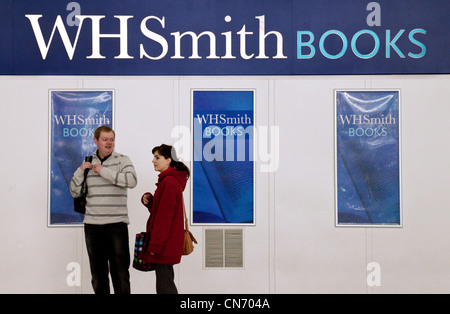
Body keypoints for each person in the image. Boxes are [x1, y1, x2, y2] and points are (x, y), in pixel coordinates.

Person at [69, 125, 137, 294]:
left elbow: (132, 181)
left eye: (112, 139)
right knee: (98, 275)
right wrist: (80, 170)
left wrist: (103, 171)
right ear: (96, 141)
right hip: (93, 226)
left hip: (117, 225)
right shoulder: (88, 162)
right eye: (105, 139)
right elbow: (74, 191)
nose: (109, 143)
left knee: (120, 273)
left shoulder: (122, 160)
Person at [140, 144, 190, 294]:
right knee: (166, 282)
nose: (153, 161)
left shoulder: (168, 182)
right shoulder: (169, 181)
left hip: (164, 245)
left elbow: (164, 218)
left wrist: (155, 245)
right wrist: (151, 201)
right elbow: (163, 211)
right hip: (167, 243)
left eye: (157, 157)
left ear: (168, 160)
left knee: (164, 286)